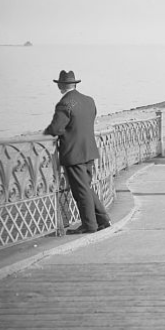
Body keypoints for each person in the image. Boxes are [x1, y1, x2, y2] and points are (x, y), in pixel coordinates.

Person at [43, 69, 111, 234]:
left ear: (60, 85)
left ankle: (90, 225)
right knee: (86, 187)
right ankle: (102, 219)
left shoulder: (64, 104)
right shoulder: (89, 100)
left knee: (81, 191)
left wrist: (46, 134)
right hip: (89, 150)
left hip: (73, 153)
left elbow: (57, 128)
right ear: (74, 84)